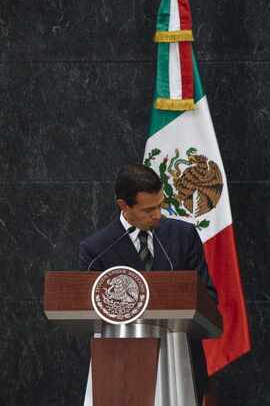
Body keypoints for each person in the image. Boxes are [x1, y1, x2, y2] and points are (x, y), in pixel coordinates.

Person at [79, 163, 218, 402]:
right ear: (123, 206)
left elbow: (208, 297)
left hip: (180, 359)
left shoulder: (183, 236)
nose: (158, 215)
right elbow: (88, 310)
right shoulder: (96, 249)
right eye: (148, 210)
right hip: (121, 368)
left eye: (160, 205)